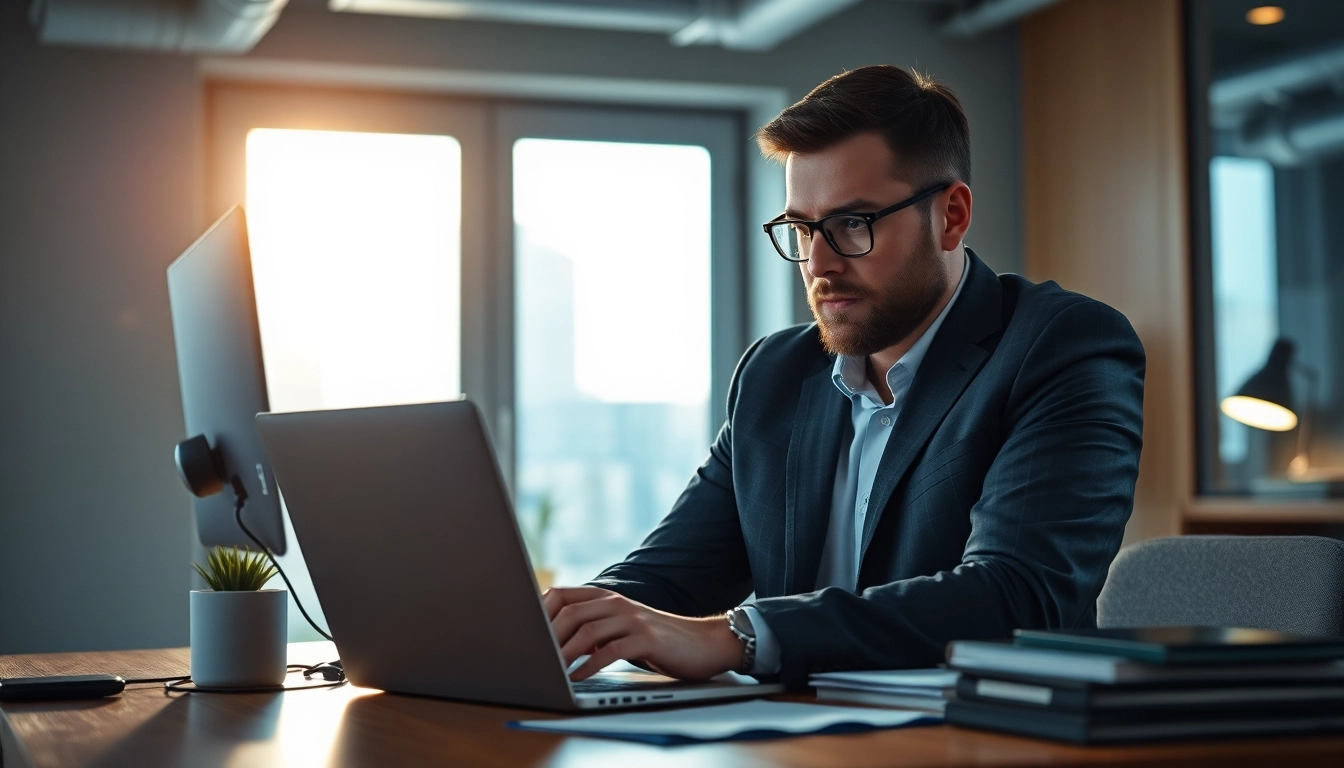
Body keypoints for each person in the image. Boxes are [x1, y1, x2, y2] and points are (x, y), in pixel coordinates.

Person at [543, 64, 1145, 689]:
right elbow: (667, 578)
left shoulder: (1063, 346)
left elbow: (1015, 595)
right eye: (801, 228)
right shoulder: (774, 373)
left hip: (986, 737)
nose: (819, 263)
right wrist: (562, 622)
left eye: (852, 224)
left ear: (952, 216)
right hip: (800, 740)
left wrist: (741, 636)